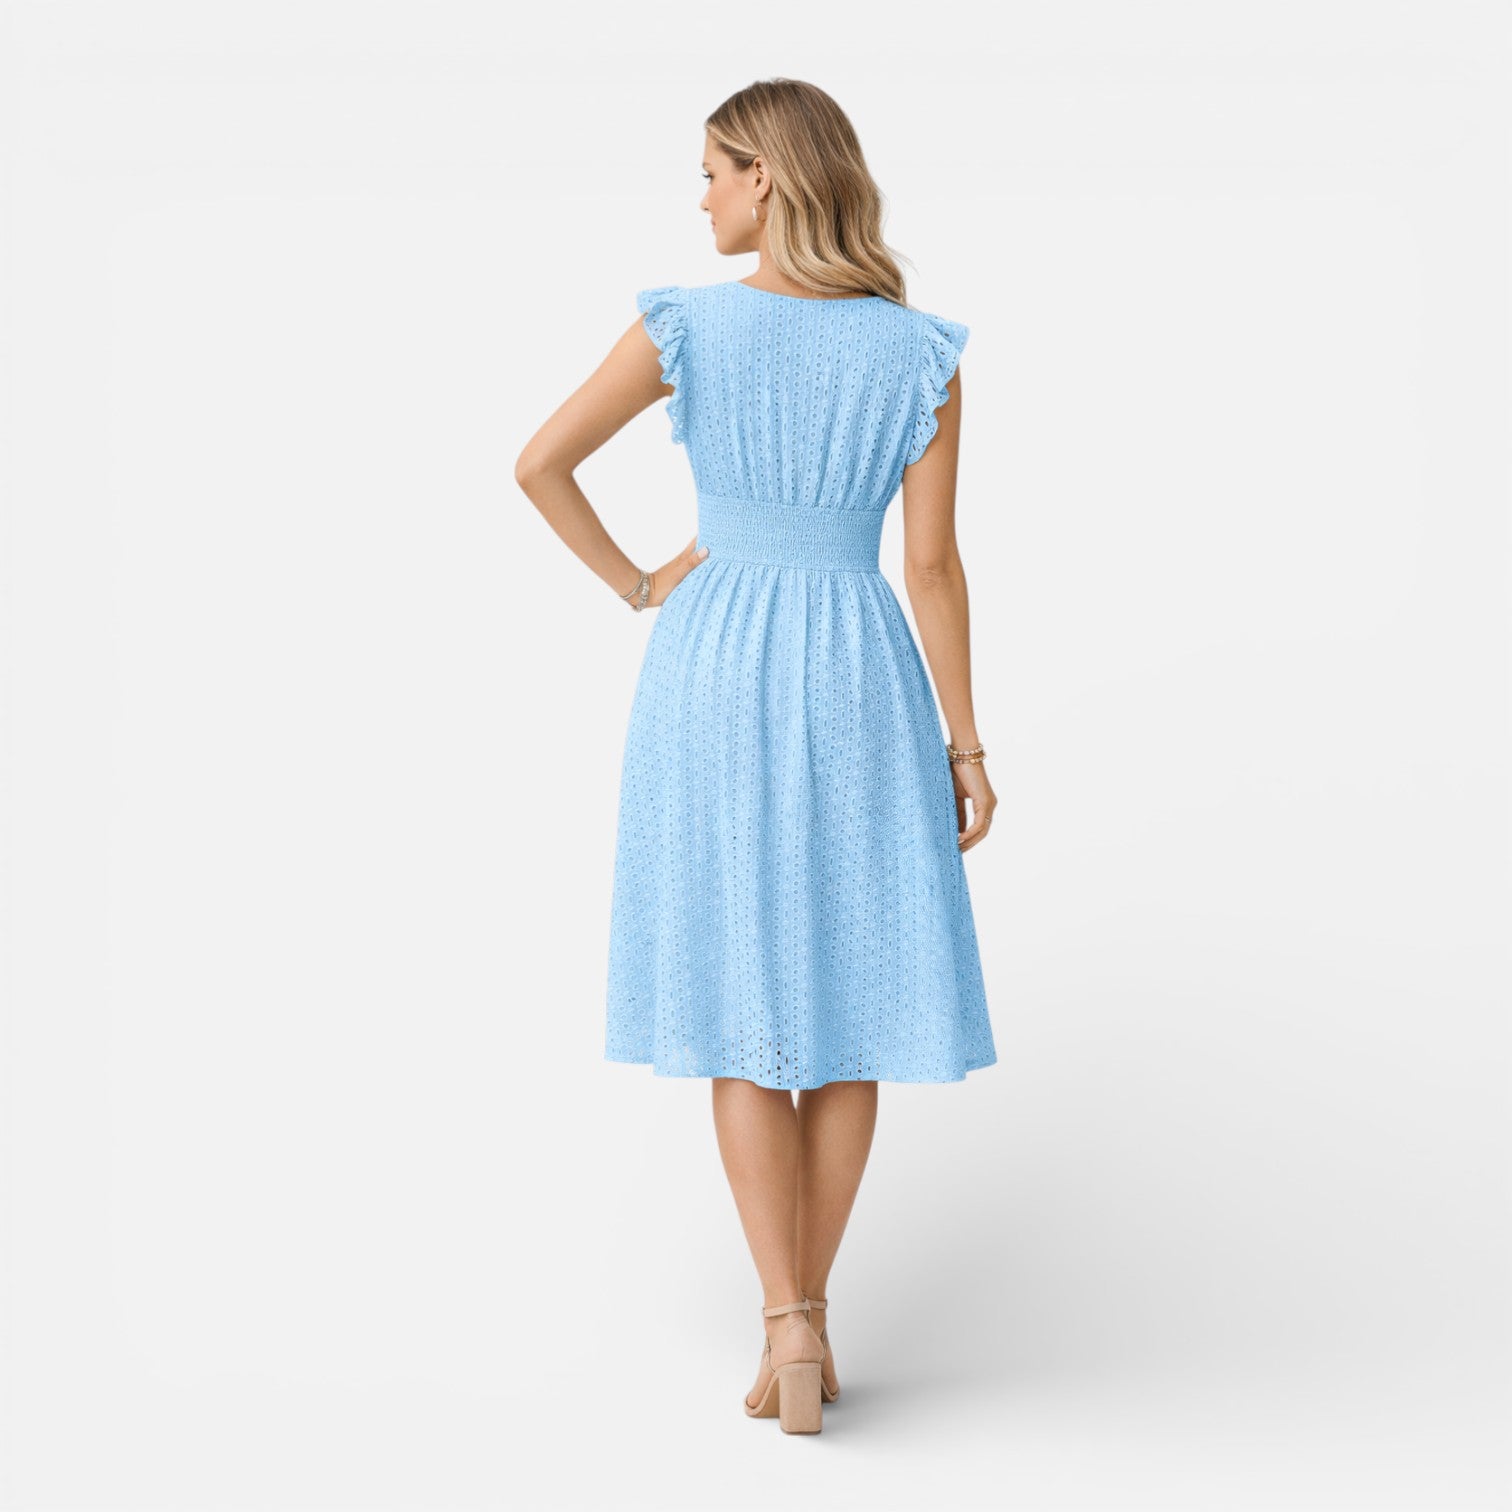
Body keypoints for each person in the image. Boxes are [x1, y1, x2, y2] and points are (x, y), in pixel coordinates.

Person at [514, 77, 998, 1435]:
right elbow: (933, 566)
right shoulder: (920, 353)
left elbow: (540, 463)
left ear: (768, 178)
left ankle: (784, 1321)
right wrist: (965, 744)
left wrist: (640, 583)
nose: (704, 199)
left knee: (744, 998)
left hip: (716, 661)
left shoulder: (687, 326)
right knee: (853, 1004)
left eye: (715, 172)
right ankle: (812, 1318)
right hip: (859, 666)